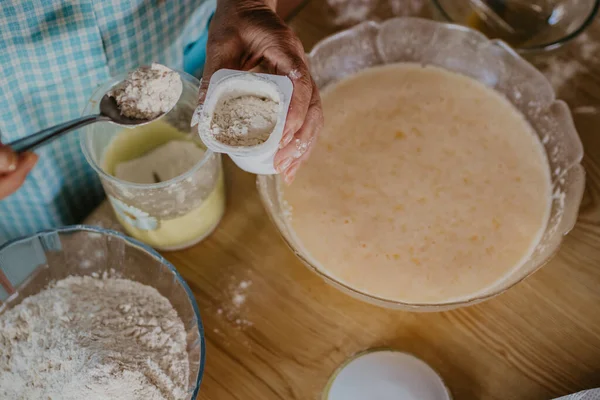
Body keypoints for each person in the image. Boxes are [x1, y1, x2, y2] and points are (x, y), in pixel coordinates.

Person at [0, 0, 322, 242]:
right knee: (63, 238)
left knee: (196, 113)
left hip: (182, 36)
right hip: (15, 107)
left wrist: (248, 2)